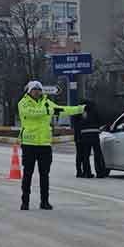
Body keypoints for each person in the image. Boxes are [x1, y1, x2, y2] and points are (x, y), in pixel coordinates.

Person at [18, 81, 85, 210]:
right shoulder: (23, 103)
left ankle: (44, 202)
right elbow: (31, 113)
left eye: (39, 89)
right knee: (27, 174)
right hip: (29, 144)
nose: (37, 92)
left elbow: (62, 109)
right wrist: (47, 111)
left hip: (44, 144)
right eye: (34, 89)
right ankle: (25, 202)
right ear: (29, 91)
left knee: (44, 174)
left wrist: (80, 109)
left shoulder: (47, 103)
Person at [75, 100, 108, 178]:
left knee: (86, 155)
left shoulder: (80, 111)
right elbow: (101, 121)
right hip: (95, 135)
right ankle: (100, 172)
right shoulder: (95, 110)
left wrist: (78, 137)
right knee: (97, 154)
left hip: (84, 136)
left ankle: (87, 173)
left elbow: (76, 124)